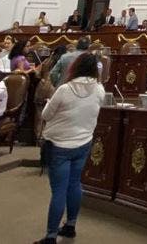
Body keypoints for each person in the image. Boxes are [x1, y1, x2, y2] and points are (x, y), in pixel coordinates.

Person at [35, 53, 105, 244]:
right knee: (74, 184)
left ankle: (51, 235)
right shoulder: (99, 89)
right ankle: (70, 225)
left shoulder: (65, 89)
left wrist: (49, 104)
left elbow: (46, 115)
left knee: (59, 190)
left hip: (60, 145)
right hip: (83, 142)